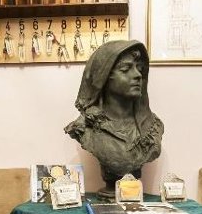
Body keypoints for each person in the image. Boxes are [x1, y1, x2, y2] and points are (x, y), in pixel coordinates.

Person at [64, 40, 164, 196]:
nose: (138, 75)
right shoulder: (85, 127)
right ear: (103, 78)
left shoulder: (153, 127)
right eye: (125, 69)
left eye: (140, 69)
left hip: (134, 199)